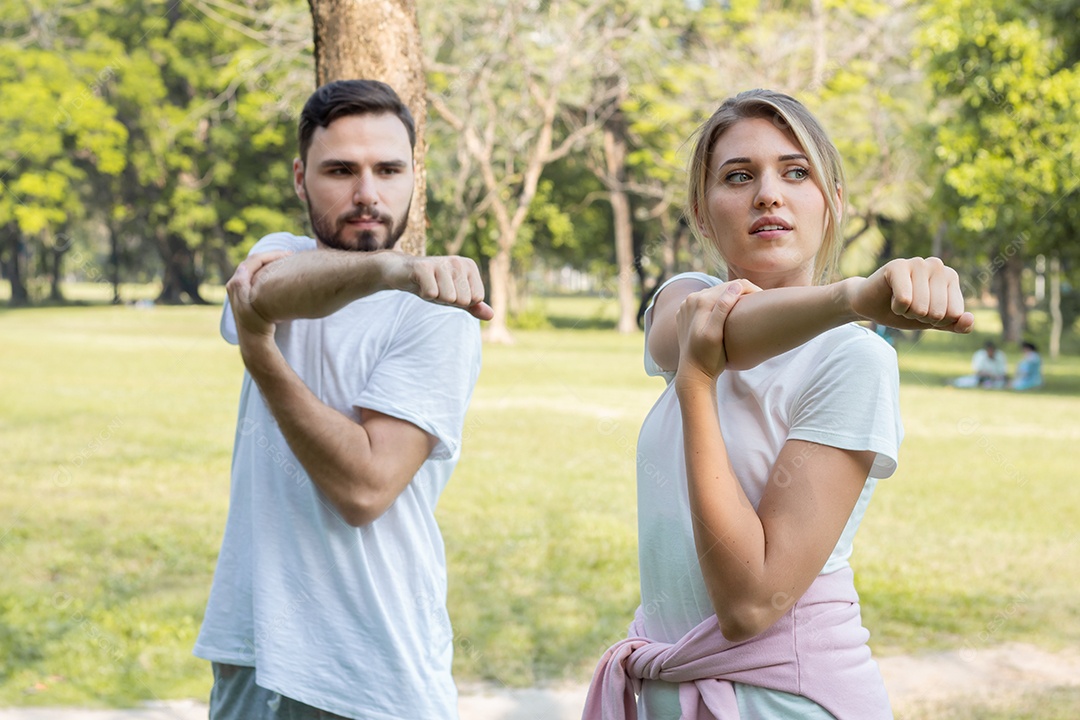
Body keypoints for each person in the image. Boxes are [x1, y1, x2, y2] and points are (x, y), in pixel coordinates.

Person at [582, 89, 974, 720]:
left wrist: (697, 388)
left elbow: (749, 605)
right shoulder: (685, 299)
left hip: (785, 701)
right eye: (739, 177)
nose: (769, 193)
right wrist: (853, 296)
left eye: (797, 172)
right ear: (702, 213)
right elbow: (709, 331)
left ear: (833, 202)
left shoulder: (852, 360)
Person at [193, 79, 492, 720]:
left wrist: (261, 354)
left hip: (367, 668)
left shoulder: (439, 317)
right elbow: (266, 294)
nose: (367, 194)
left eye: (388, 170)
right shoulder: (280, 258)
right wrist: (396, 270)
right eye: (341, 171)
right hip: (249, 652)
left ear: (415, 174)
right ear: (301, 179)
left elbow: (364, 490)